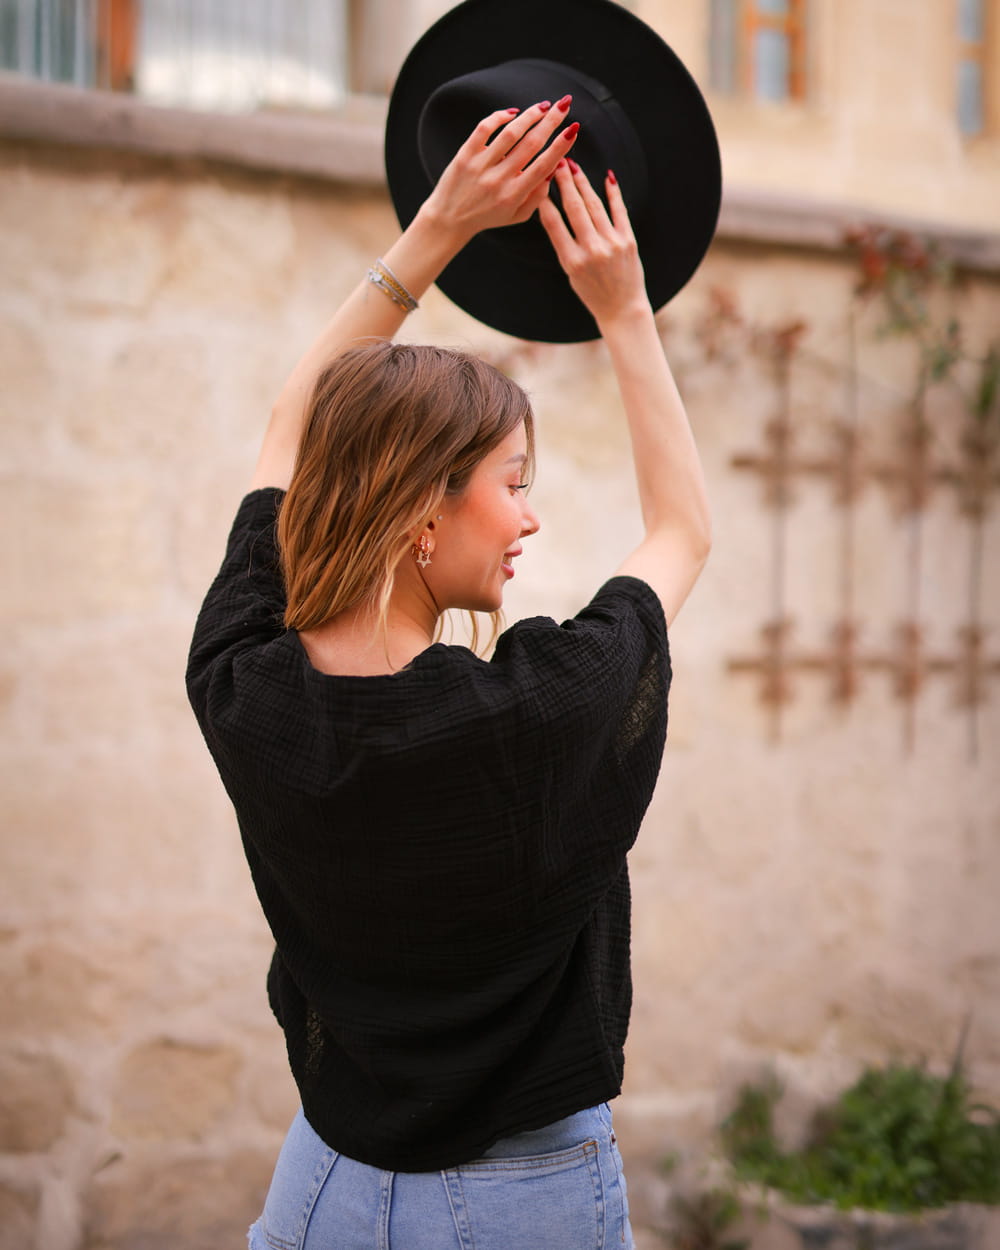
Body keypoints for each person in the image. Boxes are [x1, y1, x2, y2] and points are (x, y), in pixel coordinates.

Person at [187, 98, 710, 1250]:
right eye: (512, 480)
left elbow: (291, 426)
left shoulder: (242, 681)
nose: (529, 516)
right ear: (427, 506)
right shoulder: (546, 701)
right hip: (526, 1203)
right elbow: (679, 530)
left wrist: (437, 227)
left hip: (319, 1189)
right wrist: (624, 311)